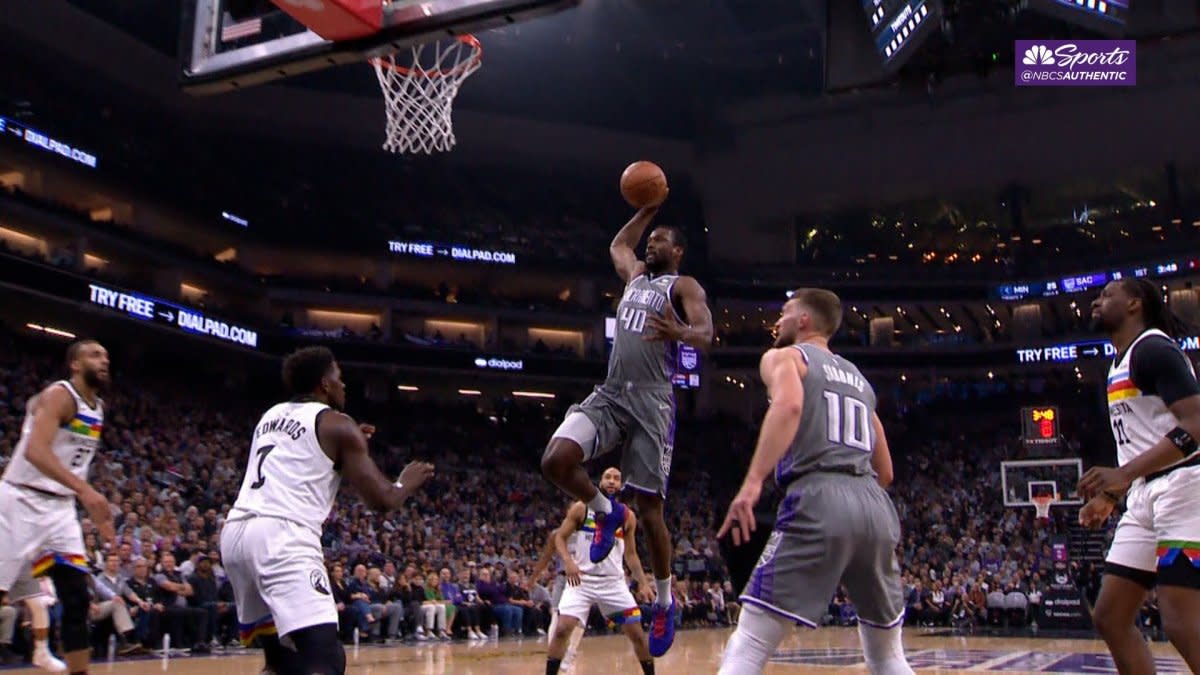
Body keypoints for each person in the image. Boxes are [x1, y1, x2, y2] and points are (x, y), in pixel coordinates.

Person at [541, 200, 713, 657]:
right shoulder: (635, 276)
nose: (651, 242)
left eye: (660, 239)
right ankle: (604, 510)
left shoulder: (684, 285)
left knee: (651, 510)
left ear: (677, 251)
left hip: (653, 400)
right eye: (650, 239)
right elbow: (618, 243)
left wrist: (680, 333)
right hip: (614, 392)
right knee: (555, 459)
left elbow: (706, 333)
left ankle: (663, 601)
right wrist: (646, 209)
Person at [717, 289, 913, 675]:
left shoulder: (785, 357)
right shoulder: (860, 381)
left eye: (785, 312)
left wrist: (753, 482)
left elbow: (790, 405)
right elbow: (886, 470)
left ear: (804, 320)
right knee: (888, 657)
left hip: (819, 495)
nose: (778, 321)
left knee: (749, 643)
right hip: (875, 505)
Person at [220, 347, 435, 675]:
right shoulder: (338, 425)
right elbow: (382, 500)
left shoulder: (271, 415)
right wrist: (406, 483)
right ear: (324, 384)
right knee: (326, 660)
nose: (343, 385)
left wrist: (351, 444)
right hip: (283, 537)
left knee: (282, 662)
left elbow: (304, 456)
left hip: (237, 533)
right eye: (339, 378)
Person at [1077, 278, 1200, 674]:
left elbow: (1197, 424)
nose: (1097, 301)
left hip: (1186, 487)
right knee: (1110, 616)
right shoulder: (1119, 362)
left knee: (1181, 623)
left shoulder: (1153, 349)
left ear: (1134, 304)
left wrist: (1122, 475)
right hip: (1146, 493)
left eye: (1107, 294)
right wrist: (1112, 495)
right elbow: (1143, 440)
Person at [0, 339, 116, 673]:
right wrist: (86, 492)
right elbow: (35, 452)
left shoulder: (98, 408)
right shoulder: (60, 395)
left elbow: (75, 463)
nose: (104, 360)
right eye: (95, 355)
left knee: (77, 598)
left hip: (60, 510)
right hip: (21, 498)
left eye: (106, 356)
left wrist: (98, 514)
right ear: (75, 365)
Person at [544, 467, 656, 675]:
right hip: (581, 581)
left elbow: (631, 555)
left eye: (616, 478)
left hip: (613, 583)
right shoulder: (582, 508)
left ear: (621, 485)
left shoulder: (627, 516)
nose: (612, 481)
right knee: (561, 629)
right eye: (607, 477)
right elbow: (559, 537)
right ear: (600, 482)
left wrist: (643, 582)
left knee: (638, 635)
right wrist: (568, 561)